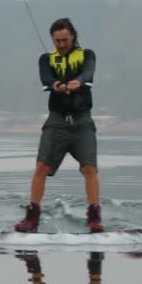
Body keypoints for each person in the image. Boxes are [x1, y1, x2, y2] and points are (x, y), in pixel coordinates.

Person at [14, 17, 103, 234]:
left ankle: (94, 218)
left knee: (89, 168)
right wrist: (56, 84)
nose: (61, 45)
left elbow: (88, 71)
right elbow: (46, 77)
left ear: (73, 36)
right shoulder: (46, 59)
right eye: (57, 41)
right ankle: (32, 218)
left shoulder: (86, 54)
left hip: (82, 121)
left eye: (64, 40)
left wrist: (78, 82)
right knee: (41, 167)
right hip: (56, 121)